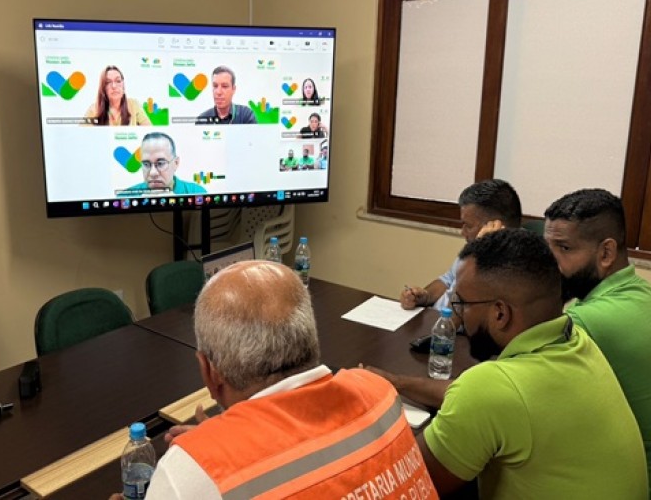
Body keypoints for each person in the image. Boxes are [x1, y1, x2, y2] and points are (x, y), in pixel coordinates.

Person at [125, 261, 438, 499]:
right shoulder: (378, 392)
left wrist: (210, 459)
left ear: (209, 371)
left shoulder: (188, 476)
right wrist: (229, 444)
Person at [373, 229, 647, 498]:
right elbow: (472, 394)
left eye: (462, 304)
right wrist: (397, 384)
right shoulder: (577, 341)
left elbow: (407, 485)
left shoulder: (492, 389)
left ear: (500, 313)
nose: (459, 315)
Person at [544, 188, 651, 488]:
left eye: (564, 248)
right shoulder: (640, 292)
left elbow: (502, 391)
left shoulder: (584, 321)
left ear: (606, 253)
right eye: (547, 247)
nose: (548, 262)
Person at [401, 179, 522, 311]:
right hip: (435, 317)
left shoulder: (515, 266)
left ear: (496, 226)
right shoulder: (476, 246)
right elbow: (448, 280)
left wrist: (480, 255)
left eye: (468, 226)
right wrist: (426, 296)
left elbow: (458, 314)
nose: (462, 232)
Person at [122, 132, 206, 195]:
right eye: (146, 164)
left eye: (160, 163)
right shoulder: (126, 197)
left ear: (176, 163)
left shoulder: (196, 193)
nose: (153, 173)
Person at [84, 65, 151, 126]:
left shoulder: (134, 105)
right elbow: (82, 133)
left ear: (123, 86)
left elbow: (149, 130)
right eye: (108, 82)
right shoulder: (93, 110)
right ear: (103, 88)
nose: (114, 86)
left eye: (118, 81)